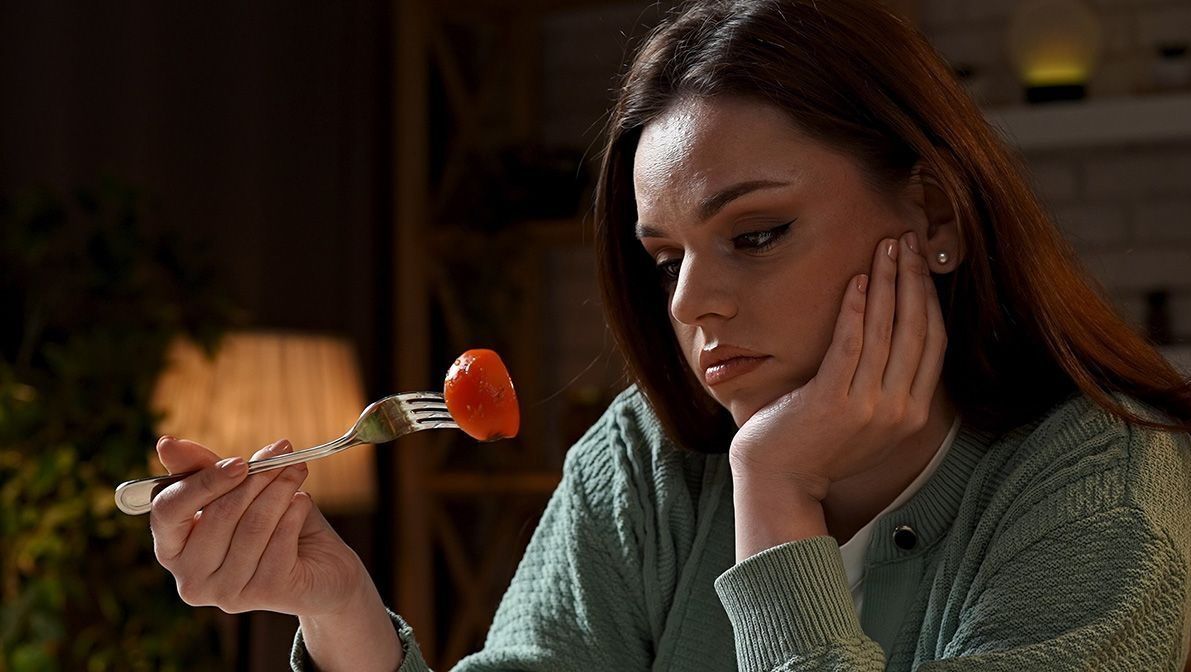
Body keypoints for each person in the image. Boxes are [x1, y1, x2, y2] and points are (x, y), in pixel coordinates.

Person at [147, 0, 1191, 670]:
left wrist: (776, 495)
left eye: (757, 233)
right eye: (663, 258)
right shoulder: (642, 459)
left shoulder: (1103, 488)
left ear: (934, 220)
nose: (691, 305)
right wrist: (339, 614)